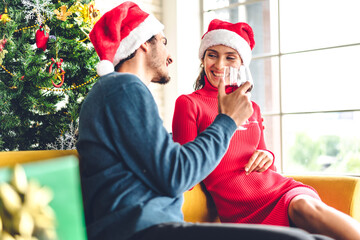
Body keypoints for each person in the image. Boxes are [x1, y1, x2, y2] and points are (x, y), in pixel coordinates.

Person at [76, 2, 335, 240]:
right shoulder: (123, 88)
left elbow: (161, 162)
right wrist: (227, 121)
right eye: (164, 42)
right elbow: (176, 175)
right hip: (142, 230)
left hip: (154, 226)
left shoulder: (119, 93)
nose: (170, 56)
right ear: (144, 43)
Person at [172, 18, 360, 240]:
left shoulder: (252, 107)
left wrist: (267, 156)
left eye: (230, 57)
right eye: (212, 55)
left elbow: (265, 156)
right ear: (202, 59)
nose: (219, 65)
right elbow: (185, 169)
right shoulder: (188, 103)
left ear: (241, 65)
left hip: (279, 191)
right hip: (242, 211)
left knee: (305, 207)